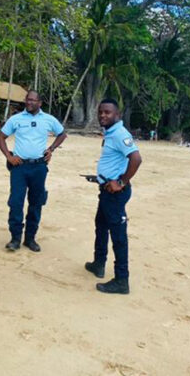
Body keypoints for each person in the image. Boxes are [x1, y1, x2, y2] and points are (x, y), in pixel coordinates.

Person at [84, 99, 142, 295]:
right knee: (101, 226)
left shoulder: (120, 134)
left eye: (107, 112)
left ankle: (121, 280)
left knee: (118, 236)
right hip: (106, 190)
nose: (102, 115)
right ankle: (99, 263)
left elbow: (136, 159)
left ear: (118, 114)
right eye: (100, 112)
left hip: (115, 193)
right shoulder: (110, 133)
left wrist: (121, 182)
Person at [0, 91, 67, 252]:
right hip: (19, 167)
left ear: (40, 103)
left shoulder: (49, 119)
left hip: (39, 167)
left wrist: (51, 149)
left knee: (36, 203)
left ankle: (30, 238)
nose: (29, 102)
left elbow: (62, 134)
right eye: (28, 99)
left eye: (33, 100)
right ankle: (15, 238)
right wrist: (9, 156)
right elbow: (1, 137)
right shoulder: (16, 119)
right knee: (16, 202)